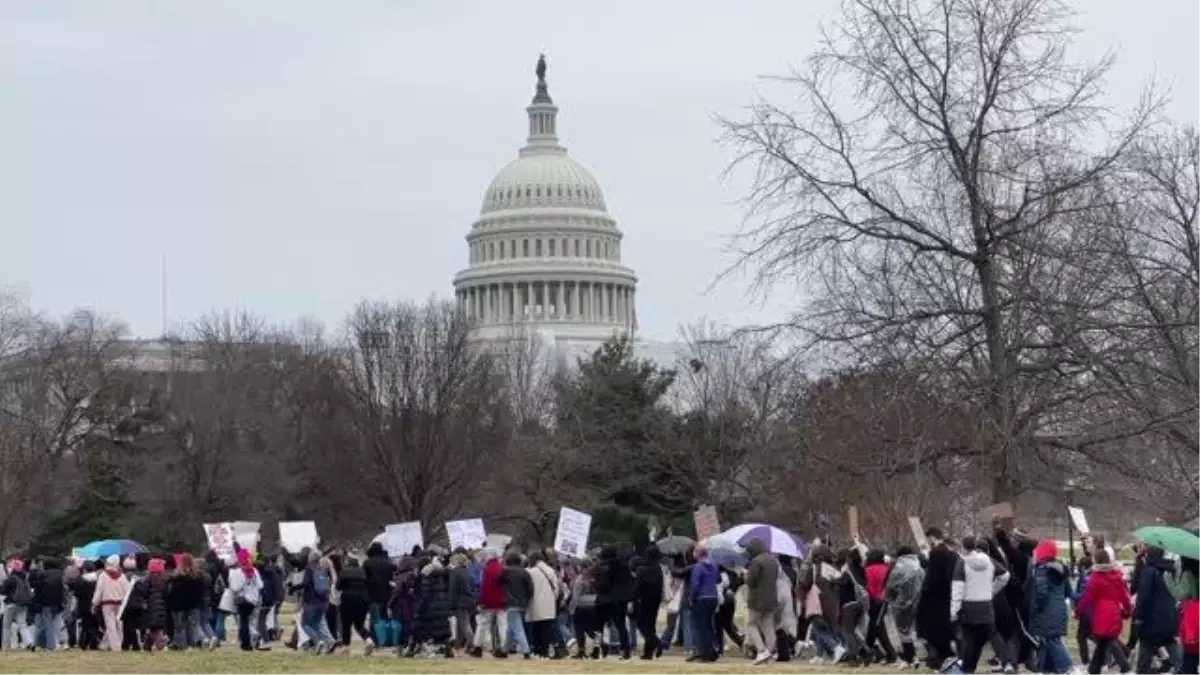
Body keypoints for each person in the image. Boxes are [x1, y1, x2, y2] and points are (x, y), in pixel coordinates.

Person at [950, 535, 1009, 675]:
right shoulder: (989, 561)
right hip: (986, 604)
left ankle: (967, 669)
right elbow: (1005, 575)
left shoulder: (962, 562)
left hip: (968, 605)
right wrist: (992, 590)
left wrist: (954, 611)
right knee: (994, 635)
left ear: (964, 547)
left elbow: (957, 588)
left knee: (969, 639)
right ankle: (1007, 663)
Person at [1075, 549, 1133, 675]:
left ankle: (1126, 668)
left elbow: (1086, 598)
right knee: (1105, 641)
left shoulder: (1095, 578)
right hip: (1114, 612)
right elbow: (1123, 595)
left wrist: (1078, 612)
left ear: (1096, 561)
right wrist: (1128, 609)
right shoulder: (1116, 576)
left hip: (1101, 614)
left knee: (1105, 640)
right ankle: (1095, 669)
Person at [1133, 546, 1179, 675]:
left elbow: (1144, 597)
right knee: (1170, 644)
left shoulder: (1150, 572)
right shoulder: (1171, 570)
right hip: (1169, 617)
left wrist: (1139, 616)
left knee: (1145, 651)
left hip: (1151, 620)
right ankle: (1181, 667)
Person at [1030, 540, 1073, 674]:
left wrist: (1034, 609)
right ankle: (1046, 669)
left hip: (1046, 611)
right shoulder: (1061, 569)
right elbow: (1068, 592)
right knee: (1047, 640)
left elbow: (1040, 594)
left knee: (1051, 639)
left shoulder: (1042, 570)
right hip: (1059, 610)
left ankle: (1067, 668)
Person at [918, 528, 958, 669]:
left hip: (935, 598)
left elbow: (932, 577)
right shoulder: (951, 554)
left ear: (932, 537)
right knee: (945, 630)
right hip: (947, 595)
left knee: (934, 630)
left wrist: (925, 591)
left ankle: (938, 659)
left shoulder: (936, 553)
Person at [886, 545, 924, 667]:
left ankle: (911, 658)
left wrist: (890, 598)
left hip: (902, 602)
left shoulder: (899, 568)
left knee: (903, 631)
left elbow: (891, 586)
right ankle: (913, 657)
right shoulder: (919, 566)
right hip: (918, 602)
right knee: (912, 630)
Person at [745, 538, 780, 664]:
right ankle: (770, 653)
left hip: (757, 599)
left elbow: (751, 581)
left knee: (751, 624)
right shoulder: (774, 561)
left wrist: (746, 575)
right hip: (771, 598)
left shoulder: (756, 561)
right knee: (768, 626)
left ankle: (761, 650)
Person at [594, 545, 631, 660]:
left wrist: (596, 585)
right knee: (621, 626)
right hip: (621, 601)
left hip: (606, 600)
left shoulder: (606, 568)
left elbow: (604, 586)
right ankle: (625, 650)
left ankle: (598, 648)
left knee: (598, 626)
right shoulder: (624, 567)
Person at [414, 557, 454, 657]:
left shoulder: (426, 577)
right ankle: (448, 648)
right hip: (442, 606)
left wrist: (419, 608)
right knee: (442, 629)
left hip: (430, 608)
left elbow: (425, 595)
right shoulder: (441, 576)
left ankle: (413, 647)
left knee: (419, 628)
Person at [687, 542, 720, 663]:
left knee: (702, 627)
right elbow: (717, 579)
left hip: (701, 597)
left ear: (698, 554)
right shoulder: (714, 566)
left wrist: (691, 598)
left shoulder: (698, 567)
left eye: (694, 552)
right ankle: (713, 650)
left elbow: (695, 584)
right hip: (713, 597)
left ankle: (705, 653)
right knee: (708, 625)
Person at [863, 548, 897, 664]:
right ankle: (881, 652)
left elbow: (868, 587)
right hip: (884, 600)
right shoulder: (887, 569)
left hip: (872, 600)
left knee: (876, 627)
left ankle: (886, 652)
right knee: (877, 626)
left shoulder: (867, 570)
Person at [526, 550, 563, 658]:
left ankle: (539, 651)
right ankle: (546, 650)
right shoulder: (550, 570)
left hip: (535, 603)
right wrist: (552, 599)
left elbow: (529, 588)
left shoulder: (530, 571)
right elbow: (556, 588)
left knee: (537, 629)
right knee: (547, 629)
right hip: (549, 604)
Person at [168, 553, 208, 650]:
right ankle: (194, 643)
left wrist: (170, 605)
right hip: (193, 605)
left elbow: (173, 593)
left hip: (178, 606)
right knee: (193, 625)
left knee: (180, 628)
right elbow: (201, 592)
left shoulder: (177, 577)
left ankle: (182, 645)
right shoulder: (198, 577)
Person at [93, 555, 132, 651]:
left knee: (110, 626)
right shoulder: (122, 576)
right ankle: (105, 645)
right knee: (118, 625)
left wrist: (94, 603)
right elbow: (127, 590)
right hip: (119, 604)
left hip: (107, 604)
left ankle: (115, 646)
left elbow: (99, 591)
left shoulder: (103, 575)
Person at [632, 544, 664, 660]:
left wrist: (633, 598)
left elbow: (637, 586)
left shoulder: (641, 569)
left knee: (641, 624)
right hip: (655, 599)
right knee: (651, 625)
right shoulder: (658, 568)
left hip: (643, 599)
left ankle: (656, 643)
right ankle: (648, 652)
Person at [228, 549, 264, 651]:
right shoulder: (254, 570)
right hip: (254, 599)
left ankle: (246, 643)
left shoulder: (237, 572)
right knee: (252, 621)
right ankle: (254, 637)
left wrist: (243, 584)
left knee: (243, 622)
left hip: (243, 599)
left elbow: (235, 587)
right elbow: (261, 585)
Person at [337, 556, 373, 654]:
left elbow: (338, 586)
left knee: (346, 624)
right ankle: (368, 640)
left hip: (347, 599)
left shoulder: (344, 571)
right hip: (362, 600)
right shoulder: (363, 572)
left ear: (348, 562)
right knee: (359, 624)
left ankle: (345, 647)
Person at [474, 548, 507, 657]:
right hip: (502, 602)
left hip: (489, 603)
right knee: (503, 625)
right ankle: (504, 648)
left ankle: (477, 647)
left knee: (483, 625)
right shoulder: (502, 568)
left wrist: (481, 602)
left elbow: (485, 588)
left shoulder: (487, 570)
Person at [500, 551, 533, 658]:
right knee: (511, 627)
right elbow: (530, 588)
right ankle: (504, 650)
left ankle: (526, 651)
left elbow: (497, 582)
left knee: (517, 628)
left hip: (511, 602)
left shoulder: (506, 571)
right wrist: (527, 599)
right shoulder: (525, 572)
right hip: (523, 603)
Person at [569, 559, 601, 659]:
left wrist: (572, 608)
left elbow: (576, 595)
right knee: (592, 630)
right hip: (593, 605)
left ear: (582, 567)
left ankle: (581, 651)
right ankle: (598, 647)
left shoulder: (580, 579)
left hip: (581, 606)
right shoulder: (596, 579)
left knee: (579, 629)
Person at [363, 542, 395, 639]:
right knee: (386, 617)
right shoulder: (388, 563)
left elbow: (364, 579)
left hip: (373, 594)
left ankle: (376, 639)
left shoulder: (367, 563)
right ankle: (387, 639)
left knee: (375, 618)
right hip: (387, 594)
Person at [1, 559, 34, 650]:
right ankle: (29, 642)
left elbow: (3, 591)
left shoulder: (11, 579)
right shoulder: (24, 577)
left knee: (6, 625)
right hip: (23, 603)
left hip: (11, 604)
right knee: (23, 624)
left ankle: (6, 646)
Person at [141, 558, 169, 651]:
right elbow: (166, 594)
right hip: (161, 607)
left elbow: (144, 592)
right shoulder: (164, 580)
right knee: (158, 628)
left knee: (154, 628)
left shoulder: (147, 579)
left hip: (151, 607)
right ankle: (153, 645)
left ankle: (157, 645)